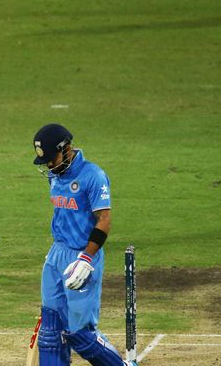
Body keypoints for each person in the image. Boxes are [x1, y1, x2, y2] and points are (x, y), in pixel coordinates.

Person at [32, 124, 136, 366]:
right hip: (57, 254)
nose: (49, 165)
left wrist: (86, 258)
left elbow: (104, 220)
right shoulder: (55, 175)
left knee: (79, 333)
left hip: (83, 257)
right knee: (50, 332)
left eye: (52, 159)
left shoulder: (93, 176)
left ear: (66, 149)